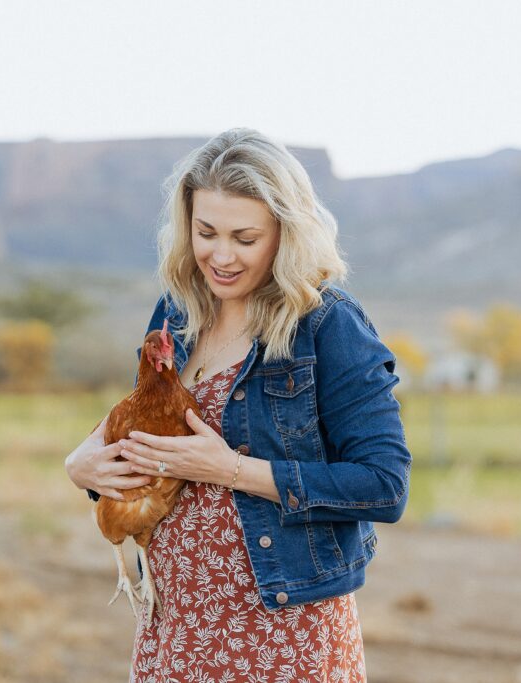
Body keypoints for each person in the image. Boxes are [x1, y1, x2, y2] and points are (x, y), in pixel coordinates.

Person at [64, 128, 411, 682]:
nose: (220, 256)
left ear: (285, 235)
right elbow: (143, 412)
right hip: (175, 627)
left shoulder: (325, 323)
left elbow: (384, 486)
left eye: (244, 239)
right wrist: (83, 462)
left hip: (281, 631)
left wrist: (227, 469)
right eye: (206, 233)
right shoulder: (177, 312)